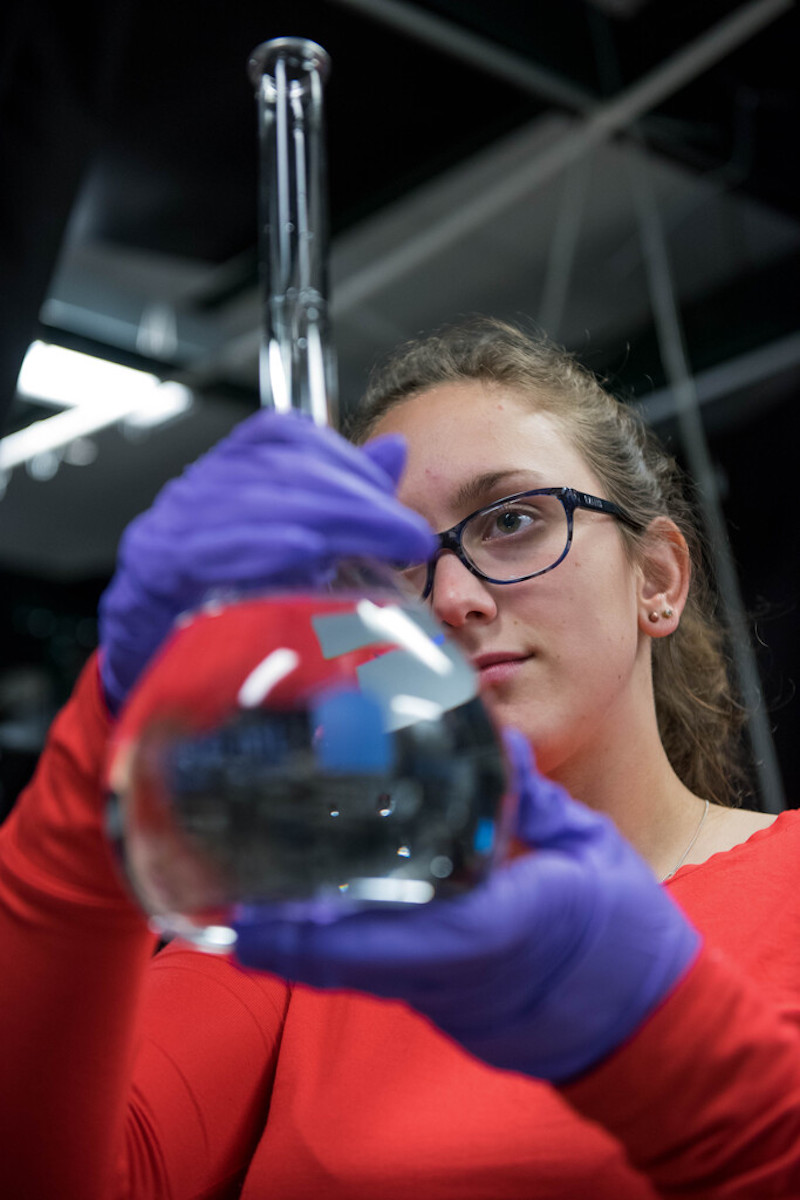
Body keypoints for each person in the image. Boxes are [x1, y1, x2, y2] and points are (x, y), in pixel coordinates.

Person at [2, 316, 800, 1199]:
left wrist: (672, 1056)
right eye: (388, 566)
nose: (451, 598)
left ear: (656, 580)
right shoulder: (309, 931)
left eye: (513, 521)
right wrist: (106, 736)